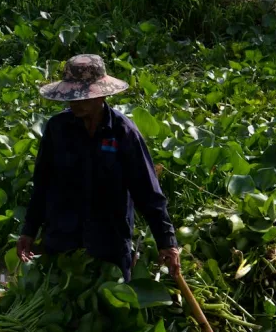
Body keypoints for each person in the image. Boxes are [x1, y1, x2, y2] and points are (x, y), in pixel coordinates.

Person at [16, 54, 180, 280]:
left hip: (109, 245)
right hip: (63, 242)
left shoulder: (123, 132)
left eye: (82, 97)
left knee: (112, 305)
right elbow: (42, 185)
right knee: (62, 304)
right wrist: (29, 231)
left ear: (101, 95)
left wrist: (166, 242)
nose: (75, 102)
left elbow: (148, 192)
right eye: (71, 96)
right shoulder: (57, 129)